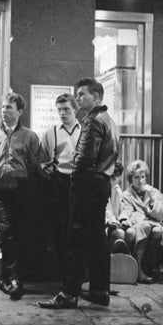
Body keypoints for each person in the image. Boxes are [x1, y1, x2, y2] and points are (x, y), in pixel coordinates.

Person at [39, 77, 119, 309]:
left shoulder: (93, 121)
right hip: (101, 184)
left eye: (82, 94)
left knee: (75, 240)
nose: (79, 98)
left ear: (96, 96)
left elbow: (84, 158)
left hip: (86, 186)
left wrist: (76, 181)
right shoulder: (110, 121)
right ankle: (99, 290)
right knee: (97, 239)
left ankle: (68, 294)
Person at [0, 92, 40, 301]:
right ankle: (11, 277)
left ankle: (10, 275)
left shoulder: (30, 137)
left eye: (9, 108)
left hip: (21, 190)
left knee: (19, 231)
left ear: (20, 111)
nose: (4, 111)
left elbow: (33, 165)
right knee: (6, 231)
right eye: (3, 107)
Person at [38, 93, 81, 277]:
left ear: (75, 109)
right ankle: (62, 274)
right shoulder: (51, 132)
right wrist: (47, 171)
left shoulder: (84, 130)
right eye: (60, 110)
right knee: (59, 229)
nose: (63, 113)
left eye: (66, 110)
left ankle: (76, 274)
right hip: (59, 183)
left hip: (79, 183)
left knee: (77, 229)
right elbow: (41, 160)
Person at [121, 159, 163, 283]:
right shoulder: (126, 195)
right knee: (146, 227)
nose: (141, 181)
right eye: (137, 177)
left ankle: (153, 267)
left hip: (153, 224)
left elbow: (162, 215)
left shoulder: (153, 192)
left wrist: (153, 200)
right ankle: (139, 269)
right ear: (131, 179)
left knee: (158, 230)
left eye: (143, 177)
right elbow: (129, 215)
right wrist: (147, 219)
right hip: (138, 226)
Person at [105, 162, 132, 254]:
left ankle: (126, 262)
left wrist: (124, 219)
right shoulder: (98, 188)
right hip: (104, 226)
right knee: (119, 234)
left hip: (116, 224)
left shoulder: (117, 189)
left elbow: (122, 209)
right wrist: (108, 222)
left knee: (131, 233)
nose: (120, 180)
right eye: (116, 177)